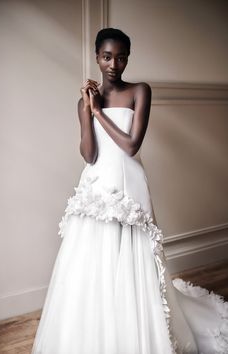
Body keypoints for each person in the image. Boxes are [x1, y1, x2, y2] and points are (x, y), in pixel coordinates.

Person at [31, 28, 228, 354]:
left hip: (128, 181)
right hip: (95, 184)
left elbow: (130, 144)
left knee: (134, 257)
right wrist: (87, 110)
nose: (113, 64)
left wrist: (98, 114)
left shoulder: (139, 91)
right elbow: (90, 154)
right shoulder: (85, 101)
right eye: (107, 56)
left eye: (121, 57)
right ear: (97, 57)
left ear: (127, 59)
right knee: (94, 257)